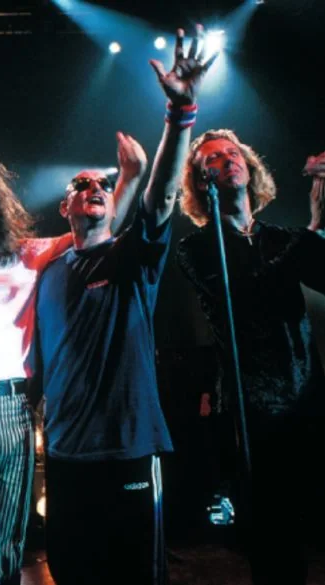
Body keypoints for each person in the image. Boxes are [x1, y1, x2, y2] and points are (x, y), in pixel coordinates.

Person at [0, 104, 147, 585]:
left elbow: (96, 231)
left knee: (8, 554)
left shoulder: (27, 256)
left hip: (15, 410)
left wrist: (128, 181)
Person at [33, 24, 217, 585]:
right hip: (66, 453)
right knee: (71, 569)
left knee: (133, 574)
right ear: (64, 206)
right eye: (80, 184)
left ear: (113, 204)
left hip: (128, 448)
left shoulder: (131, 256)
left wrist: (179, 115)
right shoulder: (47, 274)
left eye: (102, 184)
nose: (92, 187)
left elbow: (160, 200)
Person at [176, 130, 325, 585]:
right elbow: (248, 297)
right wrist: (312, 229)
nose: (228, 160)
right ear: (201, 181)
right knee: (273, 541)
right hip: (252, 413)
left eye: (233, 152)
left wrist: (321, 219)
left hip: (305, 401)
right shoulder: (198, 249)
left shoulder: (281, 238)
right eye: (214, 158)